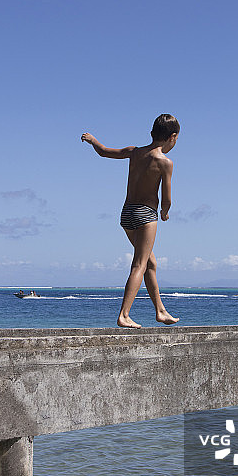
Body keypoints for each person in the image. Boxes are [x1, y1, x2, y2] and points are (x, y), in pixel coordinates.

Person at [82, 113, 180, 328]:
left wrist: (92, 140)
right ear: (172, 137)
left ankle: (161, 311)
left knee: (150, 263)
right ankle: (124, 315)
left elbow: (104, 152)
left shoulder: (134, 153)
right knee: (140, 264)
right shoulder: (164, 162)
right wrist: (165, 213)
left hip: (127, 213)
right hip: (146, 214)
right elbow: (167, 198)